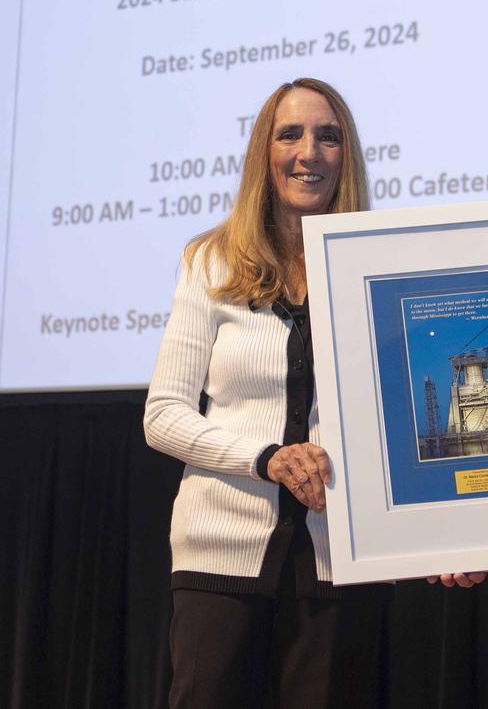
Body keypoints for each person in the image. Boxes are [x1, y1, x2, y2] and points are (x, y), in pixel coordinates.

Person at [144, 78, 387, 709]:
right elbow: (163, 415)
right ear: (264, 152)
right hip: (218, 552)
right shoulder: (210, 263)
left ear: (347, 155)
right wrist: (266, 458)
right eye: (290, 135)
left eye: (328, 136)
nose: (310, 152)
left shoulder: (374, 264)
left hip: (338, 556)